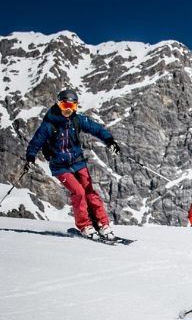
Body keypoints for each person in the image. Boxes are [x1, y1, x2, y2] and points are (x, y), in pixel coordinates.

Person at [24, 89, 120, 238]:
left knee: (90, 192)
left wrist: (109, 140)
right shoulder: (48, 125)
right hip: (60, 166)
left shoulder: (77, 120)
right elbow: (36, 143)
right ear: (58, 104)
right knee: (79, 192)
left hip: (78, 162)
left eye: (72, 106)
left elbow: (96, 128)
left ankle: (102, 224)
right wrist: (30, 157)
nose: (68, 110)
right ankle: (85, 226)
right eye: (65, 105)